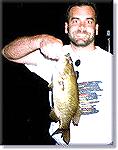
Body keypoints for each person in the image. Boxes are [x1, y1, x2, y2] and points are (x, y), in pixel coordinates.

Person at [2, 1, 113, 146]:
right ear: (66, 27)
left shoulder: (112, 62)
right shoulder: (54, 55)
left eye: (88, 21)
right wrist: (39, 41)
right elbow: (8, 53)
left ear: (96, 28)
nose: (81, 27)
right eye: (75, 20)